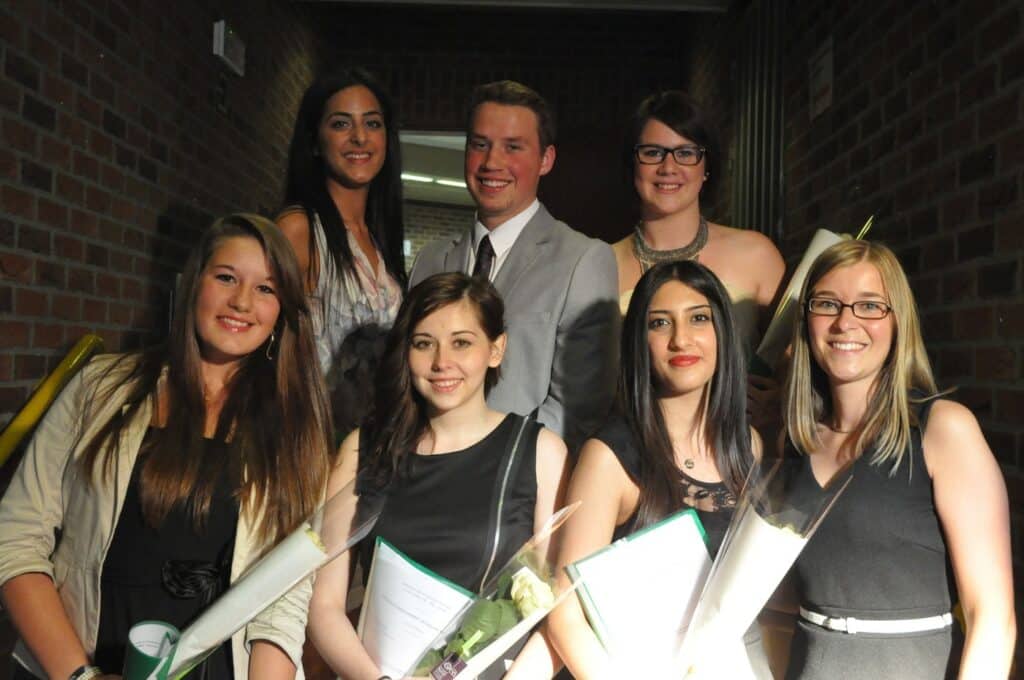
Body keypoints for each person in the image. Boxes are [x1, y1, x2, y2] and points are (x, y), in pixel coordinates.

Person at [0, 214, 334, 680]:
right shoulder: (99, 387)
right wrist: (79, 676)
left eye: (266, 289)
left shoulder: (294, 430)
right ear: (194, 283)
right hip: (81, 659)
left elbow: (283, 599)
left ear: (282, 311)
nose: (241, 301)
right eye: (226, 277)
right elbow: (16, 535)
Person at [308, 272, 571, 680]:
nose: (441, 362)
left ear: (496, 349)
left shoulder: (540, 452)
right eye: (423, 343)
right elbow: (323, 605)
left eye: (461, 343)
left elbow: (556, 611)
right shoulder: (364, 449)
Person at [782, 240, 1014, 679]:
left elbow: (992, 618)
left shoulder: (943, 429)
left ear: (898, 321)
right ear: (806, 319)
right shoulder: (794, 442)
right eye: (827, 303)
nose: (845, 321)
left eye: (870, 305)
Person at [546, 260, 771, 679]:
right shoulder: (608, 457)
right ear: (639, 342)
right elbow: (565, 613)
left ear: (722, 331)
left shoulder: (749, 446)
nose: (680, 339)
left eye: (698, 318)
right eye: (659, 323)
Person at [409, 80, 619, 451]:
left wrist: (488, 464)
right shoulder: (430, 259)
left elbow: (579, 408)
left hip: (521, 475)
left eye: (513, 147)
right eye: (480, 144)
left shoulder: (583, 260)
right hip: (420, 466)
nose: (492, 162)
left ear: (546, 159)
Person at [278, 68, 406, 438]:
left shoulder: (379, 243)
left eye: (372, 123)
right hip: (311, 440)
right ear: (315, 142)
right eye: (341, 124)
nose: (360, 137)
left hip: (373, 445)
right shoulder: (299, 229)